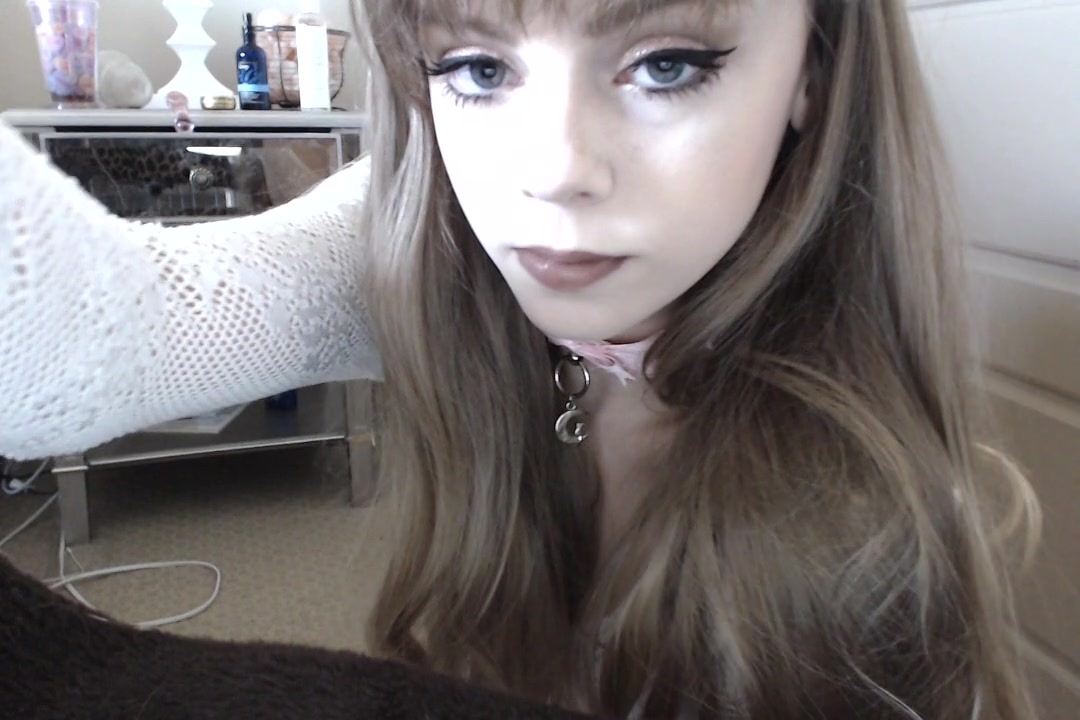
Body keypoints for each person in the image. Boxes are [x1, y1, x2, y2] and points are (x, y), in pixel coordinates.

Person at [0, 1, 1040, 718]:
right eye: (478, 67)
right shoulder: (429, 245)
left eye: (666, 63)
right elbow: (93, 338)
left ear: (812, 67)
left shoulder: (881, 532)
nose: (551, 172)